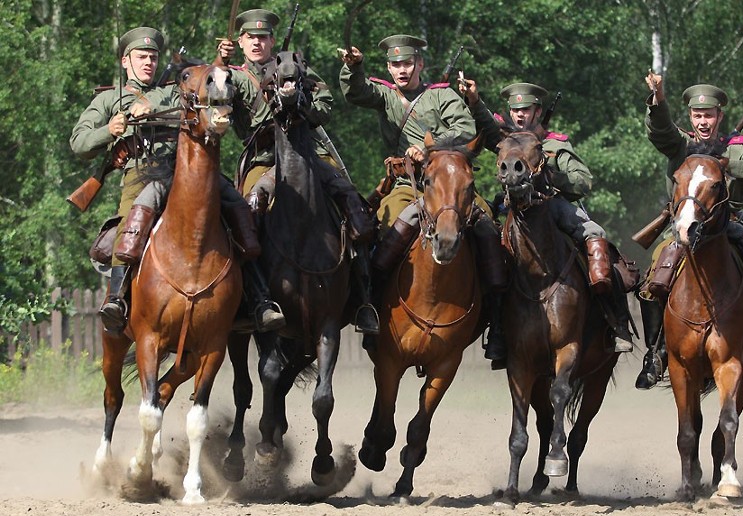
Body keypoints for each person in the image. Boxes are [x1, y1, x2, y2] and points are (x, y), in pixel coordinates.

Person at [339, 34, 509, 361]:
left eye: (407, 63)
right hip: (406, 184)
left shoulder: (442, 95)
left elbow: (463, 130)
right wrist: (354, 68)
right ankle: (370, 303)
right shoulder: (385, 95)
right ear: (388, 67)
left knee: (487, 226)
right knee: (386, 224)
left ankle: (497, 317)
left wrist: (429, 147)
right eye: (395, 64)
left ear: (420, 64)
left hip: (448, 184)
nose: (401, 70)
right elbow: (356, 92)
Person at [218, 8, 378, 335]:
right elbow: (214, 95)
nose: (258, 43)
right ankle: (257, 296)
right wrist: (219, 64)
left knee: (351, 202)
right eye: (251, 38)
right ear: (241, 42)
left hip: (308, 155)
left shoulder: (296, 68)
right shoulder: (233, 76)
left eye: (263, 38)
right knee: (248, 212)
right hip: (262, 160)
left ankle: (363, 298)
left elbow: (326, 105)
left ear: (273, 40)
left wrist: (299, 103)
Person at [638, 72, 743, 388]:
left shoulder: (735, 147)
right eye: (697, 115)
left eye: (708, 115)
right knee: (655, 271)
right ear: (691, 116)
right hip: (685, 226)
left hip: (728, 225)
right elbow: (659, 131)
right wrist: (658, 99)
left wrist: (724, 163)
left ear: (719, 116)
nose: (703, 121)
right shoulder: (681, 145)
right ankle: (655, 354)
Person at [459, 79, 634, 354]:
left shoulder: (555, 143)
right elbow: (485, 123)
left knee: (595, 234)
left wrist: (548, 173)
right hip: (511, 209)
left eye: (526, 110)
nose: (519, 115)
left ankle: (617, 323)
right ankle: (495, 328)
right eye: (515, 110)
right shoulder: (505, 139)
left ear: (537, 112)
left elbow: (583, 181)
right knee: (478, 239)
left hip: (552, 205)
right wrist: (474, 100)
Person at [70, 27, 179, 334]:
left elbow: (196, 105)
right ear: (124, 61)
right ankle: (117, 297)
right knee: (132, 218)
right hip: (139, 175)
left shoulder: (169, 92)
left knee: (234, 209)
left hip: (181, 172)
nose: (148, 62)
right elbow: (78, 143)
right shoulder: (108, 98)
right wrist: (111, 129)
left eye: (153, 57)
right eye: (141, 56)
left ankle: (255, 295)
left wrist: (151, 107)